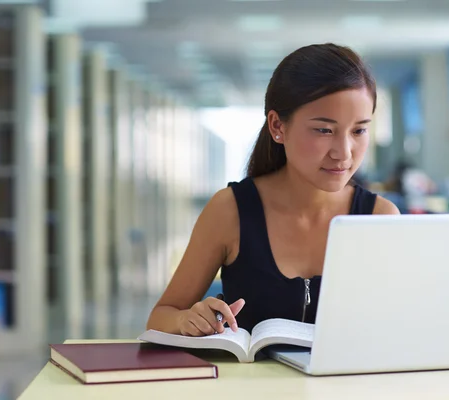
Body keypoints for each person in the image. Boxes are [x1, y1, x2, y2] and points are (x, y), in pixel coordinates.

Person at [146, 43, 400, 337]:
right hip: (251, 384)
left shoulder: (380, 218)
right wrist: (185, 321)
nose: (344, 153)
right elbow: (161, 316)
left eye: (359, 131)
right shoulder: (230, 210)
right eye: (324, 130)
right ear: (278, 126)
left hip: (349, 383)